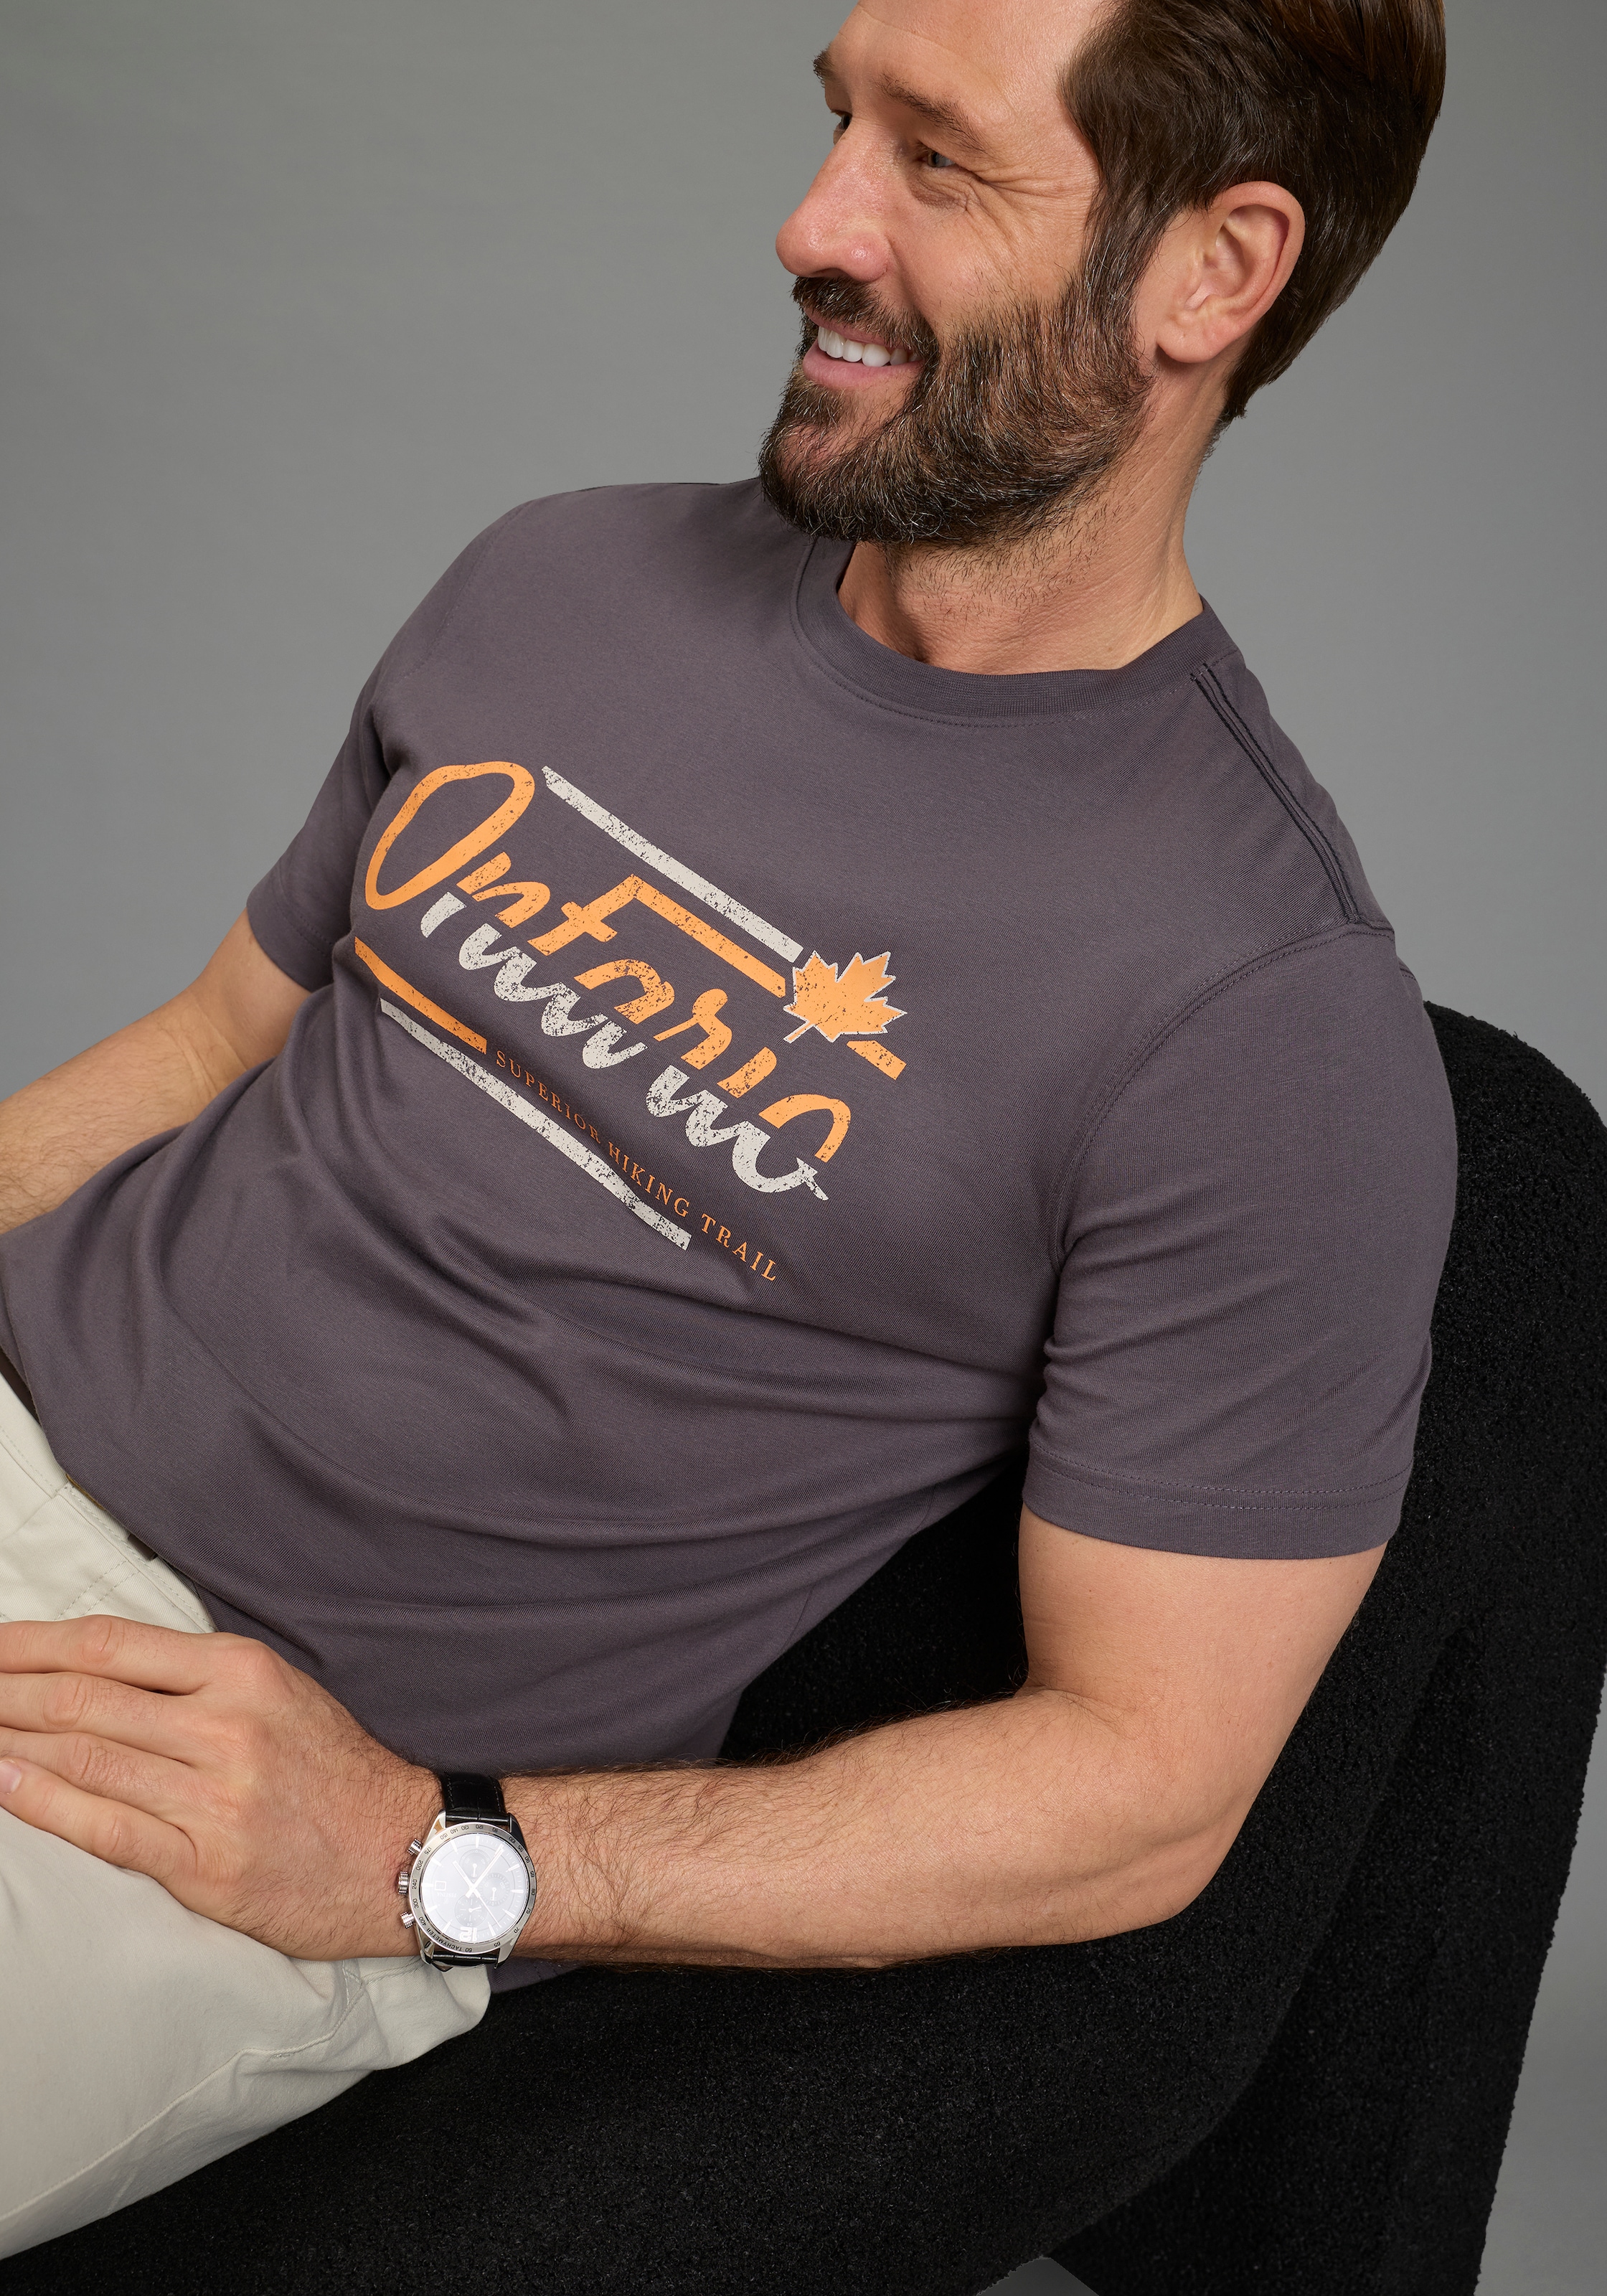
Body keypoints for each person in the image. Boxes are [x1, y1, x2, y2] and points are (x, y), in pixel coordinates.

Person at [0, 0, 1454, 2259]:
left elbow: (1144, 1787)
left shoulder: (1264, 1017)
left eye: (936, 162)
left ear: (1214, 270)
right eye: (837, 123)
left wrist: (427, 1856)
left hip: (214, 1766)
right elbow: (206, 1048)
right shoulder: (559, 578)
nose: (810, 223)